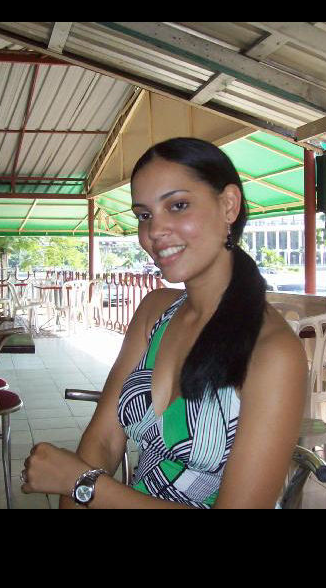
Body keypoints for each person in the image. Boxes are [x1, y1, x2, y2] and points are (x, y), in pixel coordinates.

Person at [21, 137, 307, 508]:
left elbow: (82, 480)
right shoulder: (155, 311)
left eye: (178, 205)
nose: (154, 231)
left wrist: (84, 485)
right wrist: (78, 492)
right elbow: (103, 439)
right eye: (144, 215)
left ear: (229, 205)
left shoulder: (273, 353)